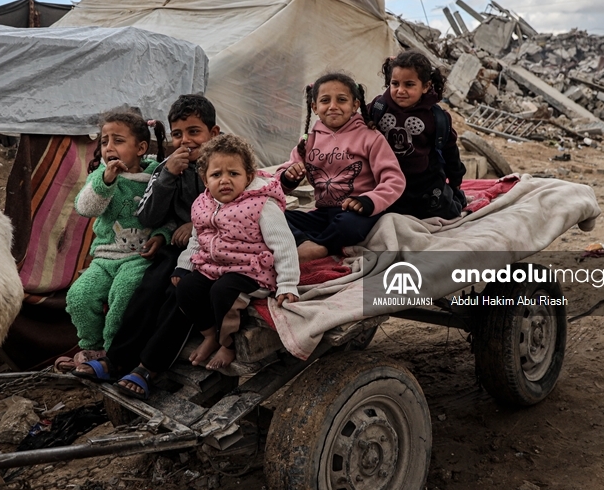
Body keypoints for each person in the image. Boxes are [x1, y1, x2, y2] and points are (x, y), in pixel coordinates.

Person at [75, 95, 219, 398]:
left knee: (179, 290)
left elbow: (239, 203)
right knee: (150, 284)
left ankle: (149, 367)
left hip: (216, 248)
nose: (186, 141)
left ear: (213, 133)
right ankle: (116, 359)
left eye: (194, 132)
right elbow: (149, 217)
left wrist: (195, 225)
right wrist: (167, 176)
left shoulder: (224, 164)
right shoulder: (166, 168)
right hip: (178, 246)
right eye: (178, 134)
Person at [172, 135, 300, 370]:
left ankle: (228, 343)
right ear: (205, 179)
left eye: (233, 173)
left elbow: (284, 244)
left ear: (249, 176)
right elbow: (196, 239)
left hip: (252, 272)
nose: (225, 180)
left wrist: (288, 284)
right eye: (216, 175)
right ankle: (210, 335)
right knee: (187, 289)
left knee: (223, 292)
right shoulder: (203, 204)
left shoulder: (261, 204)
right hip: (215, 267)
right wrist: (184, 265)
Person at [64, 108, 171, 375]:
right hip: (104, 258)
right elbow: (85, 208)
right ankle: (92, 349)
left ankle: (114, 355)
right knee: (79, 296)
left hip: (138, 258)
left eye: (118, 141)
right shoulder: (100, 177)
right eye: (104, 141)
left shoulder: (156, 178)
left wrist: (163, 236)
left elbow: (170, 215)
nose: (109, 147)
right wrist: (106, 180)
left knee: (122, 293)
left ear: (141, 148)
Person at [279, 72, 405, 263]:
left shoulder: (370, 137)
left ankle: (321, 247)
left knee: (349, 226)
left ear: (355, 105)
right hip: (323, 214)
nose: (333, 106)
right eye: (325, 100)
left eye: (342, 100)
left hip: (357, 213)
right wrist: (288, 176)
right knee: (271, 216)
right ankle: (306, 242)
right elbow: (280, 180)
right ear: (314, 107)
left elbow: (394, 180)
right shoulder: (308, 141)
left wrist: (369, 201)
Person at [369, 49, 467, 219]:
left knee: (446, 211)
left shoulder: (436, 117)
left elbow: (450, 151)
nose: (400, 90)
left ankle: (456, 197)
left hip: (424, 182)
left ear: (426, 86)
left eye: (409, 85)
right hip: (386, 180)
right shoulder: (378, 108)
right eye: (395, 84)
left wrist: (455, 180)